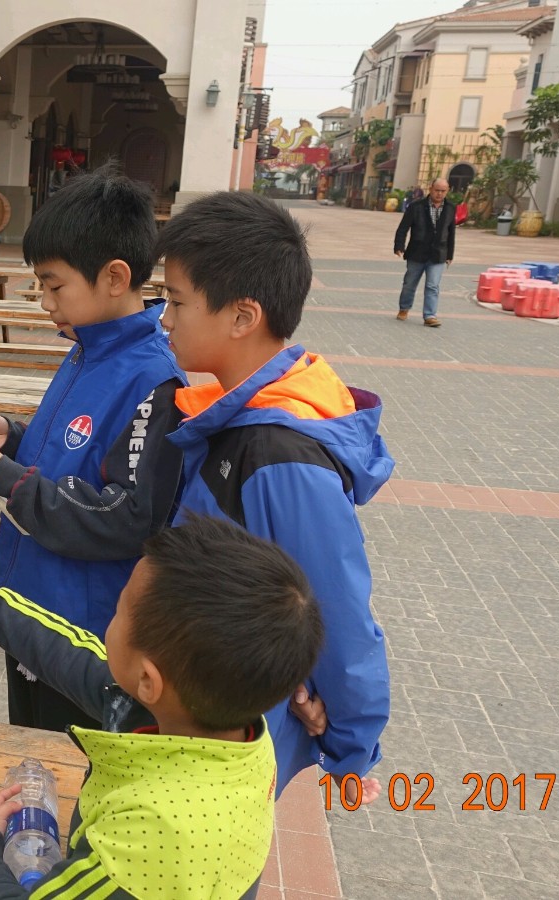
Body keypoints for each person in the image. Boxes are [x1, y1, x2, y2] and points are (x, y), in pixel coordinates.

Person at [0, 516, 324, 899]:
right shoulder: (234, 729)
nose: (105, 626)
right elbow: (69, 656)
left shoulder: (148, 834)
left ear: (149, 680)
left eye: (117, 612)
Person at [155, 191, 393, 798]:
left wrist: (348, 743)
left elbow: (337, 613)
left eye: (177, 302)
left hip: (237, 737)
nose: (165, 319)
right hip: (203, 709)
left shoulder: (278, 453)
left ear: (242, 317)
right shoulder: (235, 417)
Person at [0, 170, 183, 733]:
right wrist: (14, 437)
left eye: (54, 285)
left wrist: (7, 479)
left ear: (115, 277)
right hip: (28, 613)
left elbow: (125, 517)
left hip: (83, 635)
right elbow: (78, 451)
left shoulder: (153, 379)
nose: (44, 301)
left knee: (68, 772)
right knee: (31, 762)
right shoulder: (85, 348)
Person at [393, 177, 457, 327]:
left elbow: (451, 232)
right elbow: (403, 228)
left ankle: (430, 315)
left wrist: (450, 254)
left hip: (438, 253)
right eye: (437, 190)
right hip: (417, 252)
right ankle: (404, 308)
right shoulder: (416, 206)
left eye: (443, 191)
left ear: (447, 191)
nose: (439, 194)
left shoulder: (450, 208)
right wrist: (399, 246)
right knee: (409, 283)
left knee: (433, 286)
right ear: (431, 189)